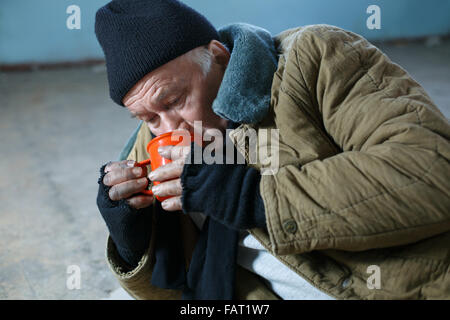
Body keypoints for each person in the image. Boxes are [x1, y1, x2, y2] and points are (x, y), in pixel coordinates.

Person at [95, 0, 450, 300]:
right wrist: (134, 242)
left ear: (218, 56)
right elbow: (178, 290)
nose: (168, 128)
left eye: (174, 100)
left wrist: (253, 198)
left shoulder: (316, 58)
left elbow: (432, 170)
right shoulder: (156, 142)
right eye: (146, 117)